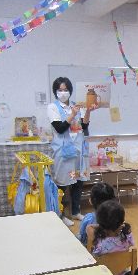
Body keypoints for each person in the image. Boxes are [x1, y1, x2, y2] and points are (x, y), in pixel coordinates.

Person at [48, 76, 98, 227]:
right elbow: (60, 128)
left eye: (66, 90)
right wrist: (72, 114)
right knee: (62, 184)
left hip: (79, 150)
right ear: (55, 92)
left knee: (78, 182)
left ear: (70, 91)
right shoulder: (53, 107)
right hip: (63, 152)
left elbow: (85, 126)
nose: (63, 93)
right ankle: (62, 214)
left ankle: (76, 211)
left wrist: (87, 111)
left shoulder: (77, 105)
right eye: (60, 90)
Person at [78, 182, 115, 247]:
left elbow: (82, 236)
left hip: (92, 251)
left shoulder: (88, 218)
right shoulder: (117, 217)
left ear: (91, 201)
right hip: (115, 250)